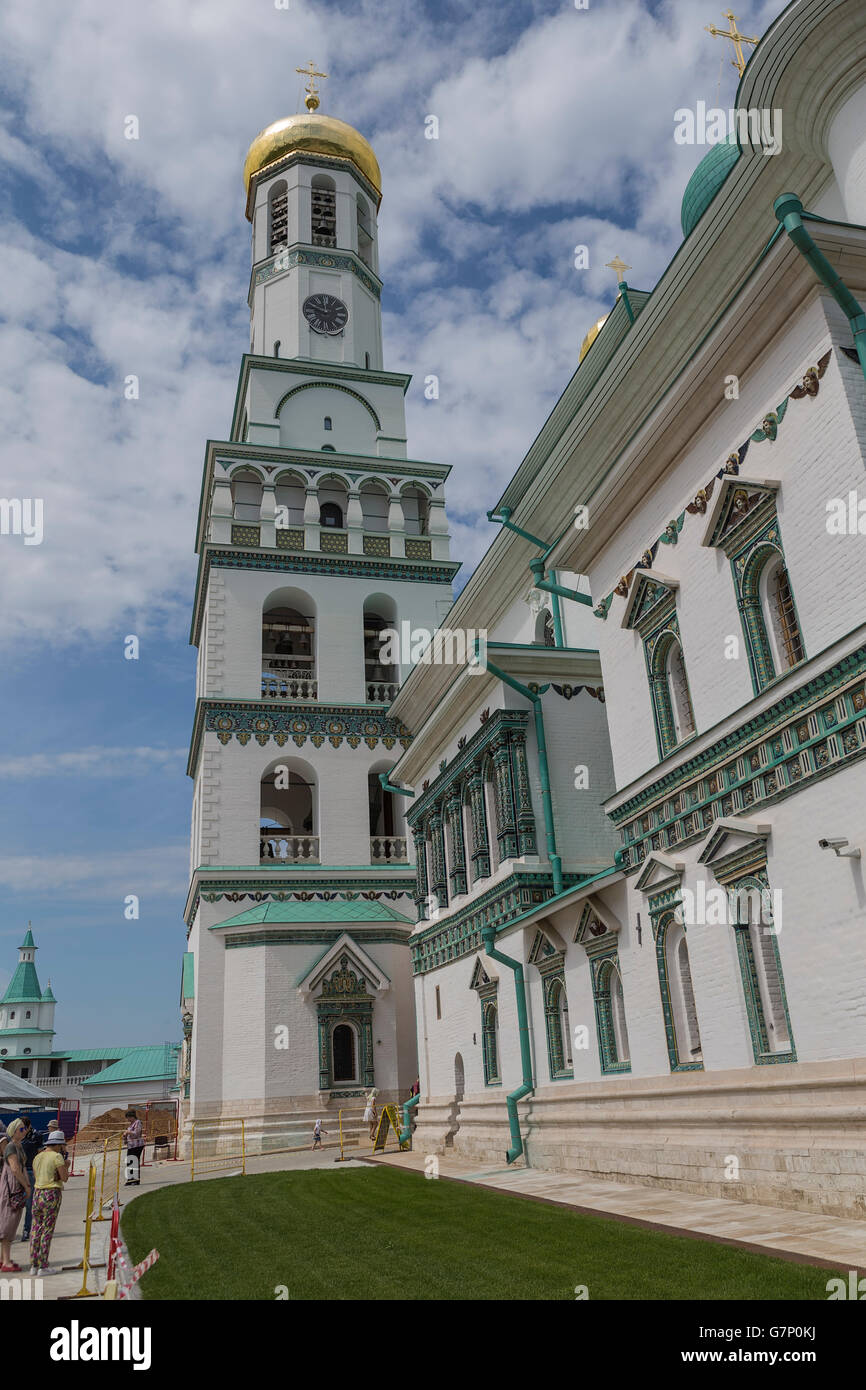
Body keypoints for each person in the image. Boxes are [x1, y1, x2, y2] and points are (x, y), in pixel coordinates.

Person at [29, 1129, 69, 1277]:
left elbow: (38, 1175)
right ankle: (43, 1265)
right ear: (59, 1145)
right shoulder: (57, 1156)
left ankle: (33, 1264)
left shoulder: (37, 1157)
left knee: (36, 1230)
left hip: (37, 1193)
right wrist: (66, 1165)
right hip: (51, 1193)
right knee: (47, 1230)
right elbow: (64, 1177)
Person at [0, 1119, 31, 1272]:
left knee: (11, 1222)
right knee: (8, 1223)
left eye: (24, 1128)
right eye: (21, 1129)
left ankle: (3, 1259)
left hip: (14, 1188)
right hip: (12, 1189)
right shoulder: (12, 1147)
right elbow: (15, 1169)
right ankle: (5, 1262)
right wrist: (26, 1185)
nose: (24, 1131)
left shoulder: (17, 1146)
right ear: (14, 1131)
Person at [19, 1118, 45, 1243]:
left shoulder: (36, 1135)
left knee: (30, 1204)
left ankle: (27, 1230)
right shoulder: (17, 1135)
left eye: (23, 1127)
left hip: (31, 1173)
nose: (21, 1130)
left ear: (28, 1127)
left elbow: (40, 1155)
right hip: (18, 1173)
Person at [123, 1111, 145, 1186]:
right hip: (131, 1145)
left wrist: (128, 1132)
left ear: (132, 1117)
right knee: (129, 1162)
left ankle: (136, 1180)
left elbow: (136, 1133)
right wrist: (125, 1136)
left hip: (137, 1145)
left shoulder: (138, 1122)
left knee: (134, 1162)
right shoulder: (131, 1124)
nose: (128, 1119)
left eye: (128, 1118)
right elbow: (129, 1134)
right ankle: (130, 1179)